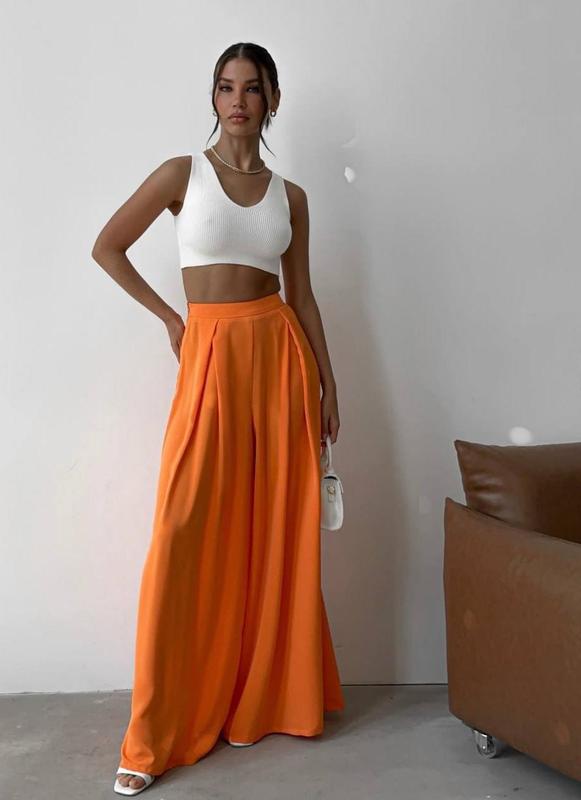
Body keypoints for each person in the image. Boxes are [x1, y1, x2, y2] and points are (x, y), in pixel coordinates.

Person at [92, 41, 345, 797]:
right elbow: (107, 247)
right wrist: (172, 320)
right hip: (208, 356)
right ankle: (153, 734)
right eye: (226, 87)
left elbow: (302, 295)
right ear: (213, 97)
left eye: (252, 88)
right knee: (184, 528)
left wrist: (329, 383)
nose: (238, 101)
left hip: (279, 359)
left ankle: (265, 699)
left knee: (274, 529)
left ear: (272, 101)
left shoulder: (291, 197)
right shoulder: (182, 175)